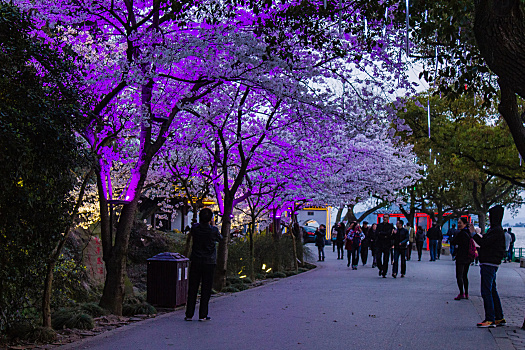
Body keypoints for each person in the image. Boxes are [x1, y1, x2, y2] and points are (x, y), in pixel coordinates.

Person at [472, 205, 507, 328]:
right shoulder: (497, 230)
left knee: (486, 290)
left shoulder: (496, 231)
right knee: (492, 290)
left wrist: (473, 234)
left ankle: (490, 318)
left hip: (489, 262)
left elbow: (484, 243)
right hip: (492, 262)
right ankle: (498, 316)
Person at [185, 208, 222, 322]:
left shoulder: (195, 228)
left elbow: (193, 229)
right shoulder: (214, 230)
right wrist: (213, 224)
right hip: (209, 262)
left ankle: (189, 314)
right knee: (206, 288)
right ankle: (203, 315)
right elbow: (220, 239)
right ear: (211, 219)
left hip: (196, 261)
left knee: (193, 288)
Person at [450, 217, 473, 300]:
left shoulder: (461, 234)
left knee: (459, 275)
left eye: (460, 223)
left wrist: (452, 237)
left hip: (461, 257)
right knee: (465, 275)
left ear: (465, 224)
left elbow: (453, 242)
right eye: (458, 223)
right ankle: (466, 293)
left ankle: (461, 293)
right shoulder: (469, 234)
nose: (459, 225)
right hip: (468, 257)